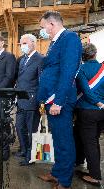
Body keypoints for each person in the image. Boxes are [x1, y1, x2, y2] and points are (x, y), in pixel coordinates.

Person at [37, 11, 82, 189]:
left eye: (42, 27)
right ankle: (57, 172)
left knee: (64, 141)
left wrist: (59, 101)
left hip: (59, 100)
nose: (42, 30)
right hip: (52, 98)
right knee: (57, 139)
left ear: (52, 24)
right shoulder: (55, 42)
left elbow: (68, 72)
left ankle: (64, 181)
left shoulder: (69, 39)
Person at [74, 43, 104, 187]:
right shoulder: (103, 68)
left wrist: (97, 103)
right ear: (95, 54)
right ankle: (79, 160)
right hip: (101, 112)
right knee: (91, 139)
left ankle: (95, 175)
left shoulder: (81, 69)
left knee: (89, 143)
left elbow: (86, 91)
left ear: (83, 56)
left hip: (87, 111)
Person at [15, 34, 43, 166]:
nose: (22, 46)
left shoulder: (40, 59)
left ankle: (31, 156)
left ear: (33, 43)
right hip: (20, 100)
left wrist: (40, 101)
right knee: (19, 127)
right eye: (21, 44)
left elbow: (42, 82)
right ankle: (24, 150)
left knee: (31, 131)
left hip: (32, 101)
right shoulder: (22, 59)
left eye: (25, 43)